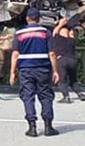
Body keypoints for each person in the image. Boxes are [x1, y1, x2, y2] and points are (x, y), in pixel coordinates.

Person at [11, 8, 60, 137]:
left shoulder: (19, 33)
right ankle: (48, 126)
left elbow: (15, 54)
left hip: (25, 69)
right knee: (46, 95)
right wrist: (56, 71)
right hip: (43, 68)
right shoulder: (45, 33)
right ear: (39, 19)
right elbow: (52, 53)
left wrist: (12, 72)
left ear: (27, 18)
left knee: (28, 96)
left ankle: (32, 127)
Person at [53, 16, 85, 103]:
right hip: (72, 60)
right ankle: (80, 94)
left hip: (62, 59)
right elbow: (71, 33)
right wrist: (71, 26)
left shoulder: (58, 38)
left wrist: (60, 25)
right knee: (73, 80)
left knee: (62, 80)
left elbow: (55, 31)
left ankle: (66, 96)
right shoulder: (72, 40)